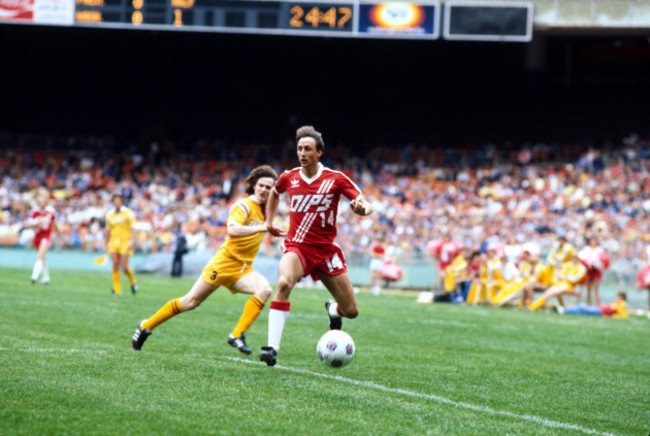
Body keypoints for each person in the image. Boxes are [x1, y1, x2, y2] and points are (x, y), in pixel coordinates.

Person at [131, 165, 279, 355]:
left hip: (243, 269)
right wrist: (263, 228)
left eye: (269, 187)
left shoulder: (266, 210)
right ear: (254, 186)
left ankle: (237, 335)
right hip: (223, 264)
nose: (265, 190)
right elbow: (232, 230)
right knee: (190, 302)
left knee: (265, 289)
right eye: (262, 185)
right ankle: (146, 326)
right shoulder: (243, 206)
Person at [259, 125, 373, 367]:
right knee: (282, 283)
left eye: (307, 149)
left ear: (319, 152)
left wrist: (363, 209)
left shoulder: (335, 179)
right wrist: (269, 223)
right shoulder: (289, 177)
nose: (302, 153)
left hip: (325, 250)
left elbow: (363, 201)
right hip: (297, 248)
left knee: (351, 311)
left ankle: (334, 310)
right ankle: (271, 348)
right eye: (299, 148)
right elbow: (274, 193)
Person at [105, 194, 138, 295]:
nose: (117, 203)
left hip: (125, 241)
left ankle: (133, 281)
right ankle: (117, 290)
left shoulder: (128, 213)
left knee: (124, 266)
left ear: (121, 202)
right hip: (113, 241)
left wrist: (132, 241)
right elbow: (108, 230)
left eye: (118, 201)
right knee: (115, 264)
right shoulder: (109, 214)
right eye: (115, 201)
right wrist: (106, 243)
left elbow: (133, 228)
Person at [25, 190, 57, 284]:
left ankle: (34, 277)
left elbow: (54, 222)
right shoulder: (35, 212)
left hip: (46, 236)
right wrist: (35, 222)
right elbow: (30, 224)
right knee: (42, 258)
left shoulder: (50, 211)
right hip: (38, 235)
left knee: (40, 256)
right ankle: (46, 278)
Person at [556, 291, 628, 318]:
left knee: (581, 307)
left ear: (622, 297)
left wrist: (610, 315)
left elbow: (620, 313)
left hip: (600, 312)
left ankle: (563, 310)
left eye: (619, 296)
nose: (617, 298)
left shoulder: (622, 304)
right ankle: (564, 310)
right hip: (600, 310)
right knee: (581, 310)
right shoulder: (618, 303)